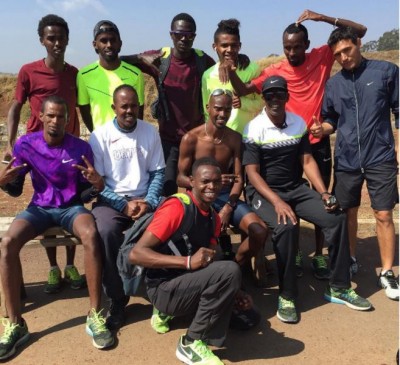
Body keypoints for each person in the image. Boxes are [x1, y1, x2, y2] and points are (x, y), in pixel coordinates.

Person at [227, 9, 367, 280]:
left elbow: (359, 32)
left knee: (321, 196)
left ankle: (318, 255)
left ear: (306, 45)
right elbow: (243, 91)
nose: (291, 52)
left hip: (316, 140)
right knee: (291, 194)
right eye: (287, 48)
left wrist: (323, 18)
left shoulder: (322, 56)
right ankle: (296, 252)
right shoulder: (275, 71)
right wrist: (232, 73)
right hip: (286, 143)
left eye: (296, 47)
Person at [243, 75, 372, 323]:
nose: (275, 100)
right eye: (270, 95)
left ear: (287, 97)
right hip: (263, 192)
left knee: (335, 218)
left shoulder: (297, 123)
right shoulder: (253, 128)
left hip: (295, 188)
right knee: (286, 226)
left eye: (280, 94)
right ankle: (287, 295)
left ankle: (339, 286)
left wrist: (324, 192)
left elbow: (307, 161)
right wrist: (278, 202)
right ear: (263, 98)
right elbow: (252, 174)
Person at [0, 96, 114, 360]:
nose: (55, 121)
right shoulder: (26, 144)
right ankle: (16, 324)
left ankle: (94, 315)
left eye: (60, 116)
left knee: (91, 233)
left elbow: (87, 191)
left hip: (70, 208)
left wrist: (97, 184)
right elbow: (15, 189)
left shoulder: (80, 147)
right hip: (39, 208)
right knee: (7, 244)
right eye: (50, 116)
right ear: (40, 116)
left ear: (68, 119)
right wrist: (3, 181)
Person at [311, 26, 399, 300]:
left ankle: (386, 272)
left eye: (347, 50)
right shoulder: (334, 85)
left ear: (358, 43)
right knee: (347, 213)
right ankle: (350, 259)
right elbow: (330, 120)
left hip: (380, 157)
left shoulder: (386, 72)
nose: (344, 57)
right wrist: (321, 130)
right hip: (347, 159)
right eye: (338, 55)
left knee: (383, 214)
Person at [129, 157, 242, 365]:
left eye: (217, 182)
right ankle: (190, 343)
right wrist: (188, 262)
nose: (212, 187)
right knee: (230, 271)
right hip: (161, 287)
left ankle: (173, 313)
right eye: (205, 181)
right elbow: (136, 254)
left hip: (185, 282)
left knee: (247, 317)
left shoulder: (213, 218)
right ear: (191, 181)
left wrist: (235, 292)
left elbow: (208, 260)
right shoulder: (177, 207)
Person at [4, 14, 85, 295]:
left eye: (61, 37)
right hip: (36, 152)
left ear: (67, 39)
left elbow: (81, 108)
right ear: (42, 40)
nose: (57, 43)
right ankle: (53, 267)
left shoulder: (75, 73)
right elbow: (15, 107)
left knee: (70, 198)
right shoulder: (28, 71)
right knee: (45, 201)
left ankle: (71, 264)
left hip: (68, 148)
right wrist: (10, 142)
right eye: (51, 38)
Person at [89, 84, 165, 330]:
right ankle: (117, 298)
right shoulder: (99, 136)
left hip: (145, 198)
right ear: (114, 108)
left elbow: (158, 173)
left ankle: (161, 292)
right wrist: (123, 205)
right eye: (124, 106)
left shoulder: (149, 132)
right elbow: (99, 184)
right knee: (106, 232)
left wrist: (150, 202)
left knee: (168, 225)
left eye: (134, 105)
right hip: (112, 200)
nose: (129, 110)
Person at [177, 88, 269, 286]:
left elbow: (238, 179)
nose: (223, 114)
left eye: (227, 110)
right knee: (195, 241)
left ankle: (234, 267)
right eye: (218, 109)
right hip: (199, 200)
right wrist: (208, 182)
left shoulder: (234, 138)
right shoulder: (191, 138)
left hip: (227, 198)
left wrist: (228, 206)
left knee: (260, 231)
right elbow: (180, 178)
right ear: (208, 108)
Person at [122, 13, 215, 196]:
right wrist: (141, 58)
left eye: (189, 35)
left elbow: (222, 69)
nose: (184, 38)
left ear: (194, 36)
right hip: (168, 138)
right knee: (166, 188)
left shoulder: (202, 60)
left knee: (199, 187)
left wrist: (240, 58)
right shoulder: (161, 59)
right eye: (179, 33)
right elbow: (120, 59)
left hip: (196, 137)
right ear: (171, 35)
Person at [77, 20, 145, 132]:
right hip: (100, 143)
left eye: (113, 40)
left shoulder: (135, 74)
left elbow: (139, 111)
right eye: (104, 41)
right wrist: (97, 134)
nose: (109, 45)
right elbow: (84, 111)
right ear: (95, 44)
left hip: (129, 139)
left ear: (120, 44)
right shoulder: (84, 75)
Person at [202, 18, 263, 135]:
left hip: (248, 138)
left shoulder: (252, 69)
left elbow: (262, 104)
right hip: (221, 140)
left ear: (239, 46)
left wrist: (243, 104)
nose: (229, 50)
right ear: (215, 46)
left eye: (234, 45)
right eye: (224, 45)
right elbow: (206, 111)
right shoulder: (208, 75)